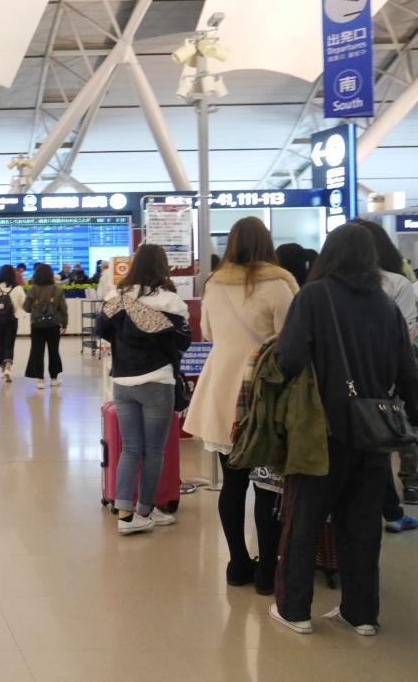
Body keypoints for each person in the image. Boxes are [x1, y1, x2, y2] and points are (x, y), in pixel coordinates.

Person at [270, 223, 418, 636]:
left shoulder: (313, 296)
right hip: (374, 432)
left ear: (329, 254)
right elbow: (408, 371)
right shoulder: (385, 303)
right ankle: (361, 614)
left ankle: (295, 610)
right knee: (363, 527)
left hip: (321, 431)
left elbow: (289, 358)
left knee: (304, 521)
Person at [183, 216, 297, 593]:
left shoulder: (214, 284)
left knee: (232, 484)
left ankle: (236, 564)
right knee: (267, 486)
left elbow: (208, 333)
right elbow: (290, 341)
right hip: (263, 394)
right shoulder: (279, 284)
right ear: (267, 243)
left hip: (222, 390)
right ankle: (266, 574)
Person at [96, 244, 191, 535]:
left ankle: (125, 514)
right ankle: (146, 510)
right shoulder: (171, 301)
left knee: (130, 448)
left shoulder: (115, 296)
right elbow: (183, 342)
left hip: (122, 383)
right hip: (157, 383)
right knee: (154, 451)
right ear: (162, 267)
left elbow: (102, 330)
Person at [352, 220, 418, 523]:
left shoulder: (321, 287)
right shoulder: (396, 283)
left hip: (337, 380)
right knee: (382, 438)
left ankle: (376, 513)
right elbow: (405, 335)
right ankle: (394, 509)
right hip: (383, 379)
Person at [22, 263, 68, 389]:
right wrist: (64, 324)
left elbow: (26, 308)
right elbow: (63, 309)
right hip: (53, 324)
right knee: (54, 351)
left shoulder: (33, 290)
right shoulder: (57, 290)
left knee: (37, 351)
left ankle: (41, 380)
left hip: (36, 324)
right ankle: (54, 378)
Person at [0, 264, 26, 382]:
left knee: (1, 344)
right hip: (12, 319)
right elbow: (24, 304)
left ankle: (2, 370)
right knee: (9, 344)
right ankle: (8, 369)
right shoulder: (17, 288)